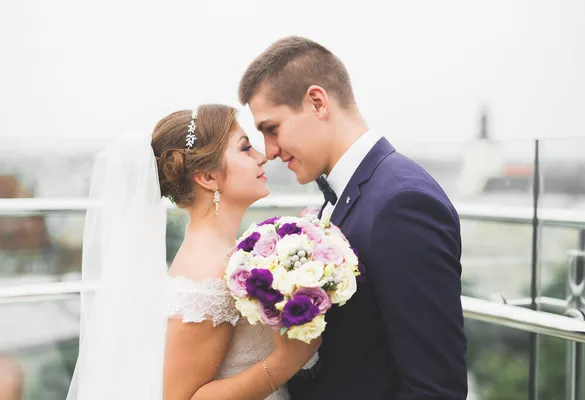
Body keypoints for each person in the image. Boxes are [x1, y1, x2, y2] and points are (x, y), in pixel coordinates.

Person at [239, 36, 468, 399]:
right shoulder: (352, 193)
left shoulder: (402, 203)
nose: (269, 151)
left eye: (272, 128)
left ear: (317, 102)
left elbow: (435, 388)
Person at [65, 104, 320, 400]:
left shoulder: (228, 253)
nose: (262, 157)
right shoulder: (205, 274)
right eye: (245, 148)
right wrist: (283, 363)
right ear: (208, 178)